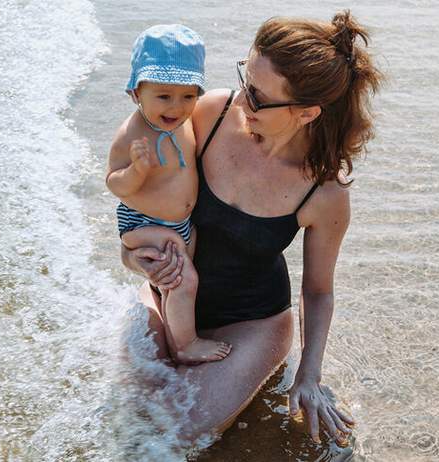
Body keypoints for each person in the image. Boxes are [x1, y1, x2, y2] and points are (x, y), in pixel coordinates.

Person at [120, 11, 383, 443]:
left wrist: (309, 375)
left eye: (259, 97)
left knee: (176, 433)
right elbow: (140, 208)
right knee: (128, 417)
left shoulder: (324, 193)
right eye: (245, 78)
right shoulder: (210, 113)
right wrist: (134, 258)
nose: (242, 100)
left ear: (306, 112)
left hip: (251, 325)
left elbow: (318, 291)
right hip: (164, 298)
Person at [106, 24, 232, 364]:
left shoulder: (183, 121)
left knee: (176, 276)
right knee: (183, 280)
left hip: (181, 222)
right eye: (163, 96)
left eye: (188, 96)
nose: (176, 107)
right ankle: (185, 345)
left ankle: (166, 317)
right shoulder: (132, 134)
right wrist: (137, 170)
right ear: (135, 93)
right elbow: (114, 184)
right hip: (144, 221)